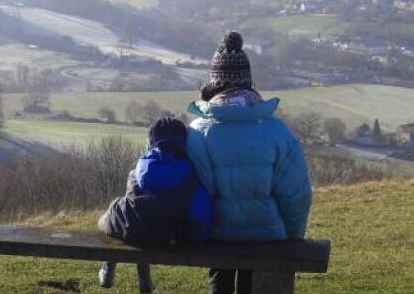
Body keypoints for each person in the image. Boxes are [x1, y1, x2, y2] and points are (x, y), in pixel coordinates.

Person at [186, 31, 312, 294]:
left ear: (213, 85)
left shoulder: (197, 132)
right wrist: (292, 237)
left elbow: (197, 192)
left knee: (219, 286)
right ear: (249, 83)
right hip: (267, 237)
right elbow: (296, 195)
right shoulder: (277, 131)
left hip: (217, 236)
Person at [97, 117, 213, 293]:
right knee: (149, 224)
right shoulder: (191, 175)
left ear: (150, 142)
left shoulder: (138, 169)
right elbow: (199, 215)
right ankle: (143, 279)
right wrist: (197, 237)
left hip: (125, 225)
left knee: (115, 214)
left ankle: (108, 265)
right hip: (163, 234)